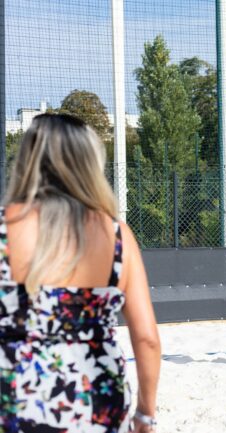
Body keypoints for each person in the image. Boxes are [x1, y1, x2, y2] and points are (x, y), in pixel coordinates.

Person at [0, 114, 161, 433]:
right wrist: (145, 414)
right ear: (89, 164)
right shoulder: (118, 236)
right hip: (97, 399)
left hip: (16, 397)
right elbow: (147, 339)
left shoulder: (5, 228)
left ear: (28, 160)